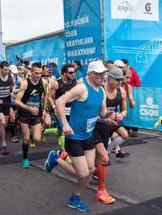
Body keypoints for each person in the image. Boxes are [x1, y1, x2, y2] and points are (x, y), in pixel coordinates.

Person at [44, 60, 108, 212]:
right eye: (99, 74)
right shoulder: (81, 88)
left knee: (90, 170)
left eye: (103, 73)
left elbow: (101, 113)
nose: (103, 76)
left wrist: (109, 116)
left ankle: (75, 198)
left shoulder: (102, 91)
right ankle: (56, 158)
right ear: (91, 74)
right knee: (83, 173)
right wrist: (65, 124)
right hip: (74, 137)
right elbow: (59, 101)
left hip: (88, 136)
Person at [93, 67, 128, 204]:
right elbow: (92, 111)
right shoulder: (100, 90)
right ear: (109, 78)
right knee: (96, 161)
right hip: (97, 125)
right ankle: (101, 190)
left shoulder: (121, 91)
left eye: (121, 80)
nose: (120, 83)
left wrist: (120, 115)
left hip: (111, 121)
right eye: (117, 80)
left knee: (125, 135)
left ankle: (106, 151)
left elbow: (124, 110)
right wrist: (103, 117)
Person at [15, 62, 49, 169]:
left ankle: (28, 137)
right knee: (26, 138)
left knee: (37, 139)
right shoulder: (25, 83)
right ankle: (25, 159)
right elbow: (17, 101)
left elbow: (45, 97)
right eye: (36, 73)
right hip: (25, 113)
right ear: (31, 72)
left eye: (40, 73)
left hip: (36, 113)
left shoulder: (44, 83)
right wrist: (29, 108)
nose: (38, 75)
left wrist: (44, 110)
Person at [48, 64, 77, 151]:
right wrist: (54, 107)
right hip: (60, 110)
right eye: (71, 72)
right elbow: (50, 97)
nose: (73, 74)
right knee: (66, 131)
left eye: (74, 72)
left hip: (72, 110)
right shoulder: (57, 83)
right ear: (64, 73)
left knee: (67, 129)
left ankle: (53, 132)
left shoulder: (76, 83)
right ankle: (65, 152)